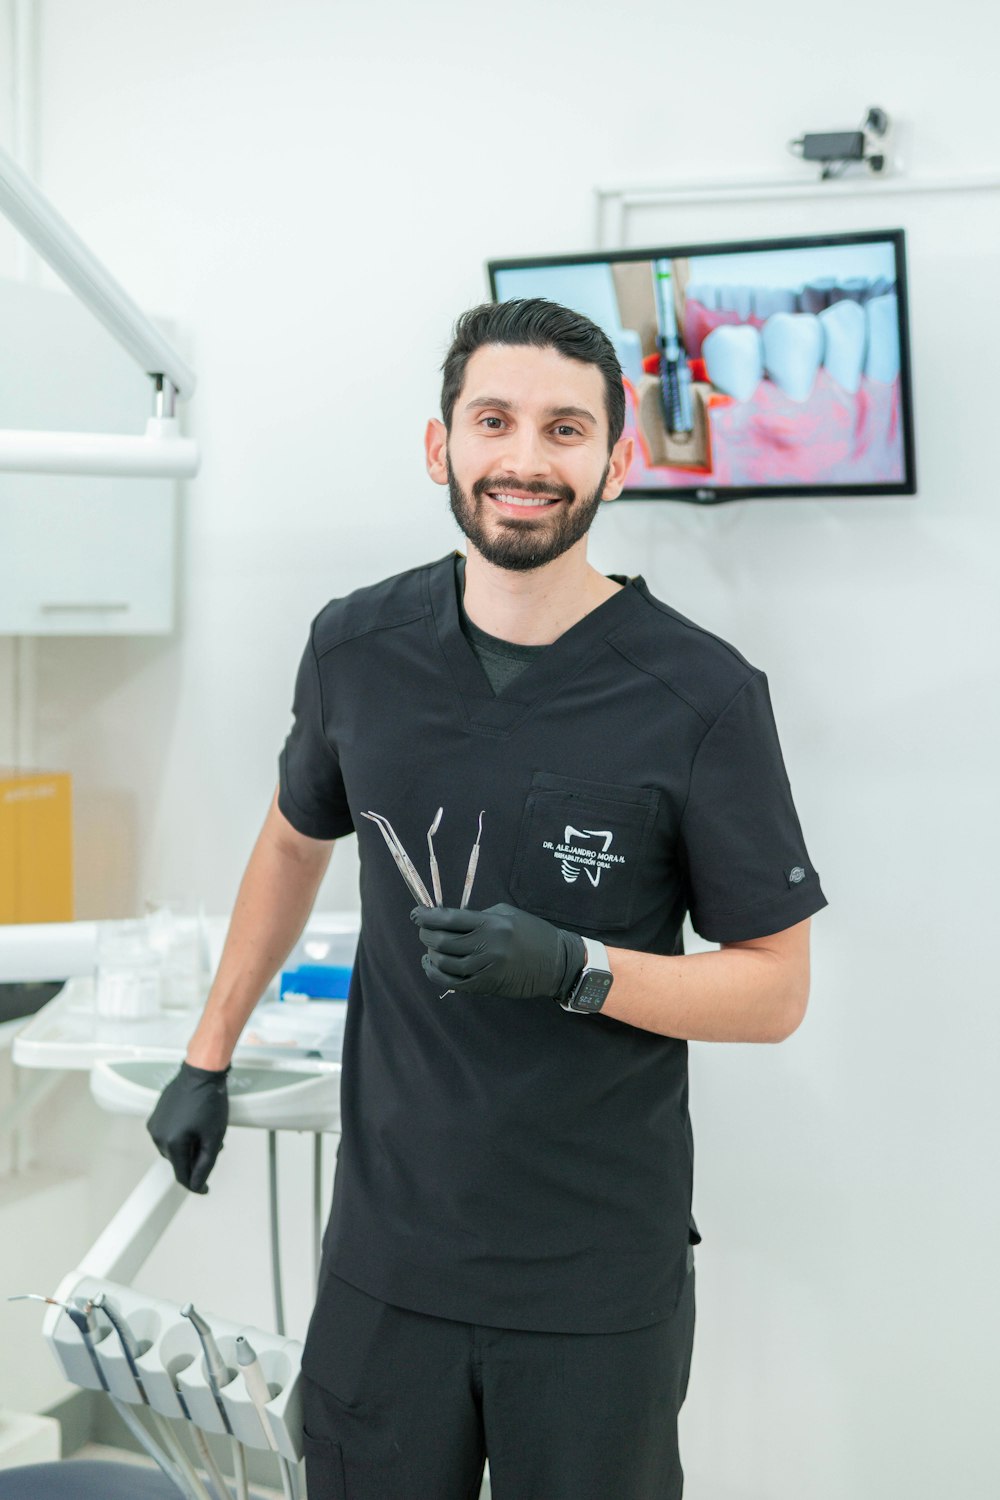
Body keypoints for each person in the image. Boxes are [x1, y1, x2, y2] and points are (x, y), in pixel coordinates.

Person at [148, 297, 827, 1500]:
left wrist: (579, 967)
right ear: (439, 447)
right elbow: (295, 840)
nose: (524, 460)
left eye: (566, 431)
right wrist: (207, 1056)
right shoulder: (356, 647)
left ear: (617, 462)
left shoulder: (701, 695)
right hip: (384, 1271)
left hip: (591, 1288)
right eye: (494, 421)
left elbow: (773, 988)